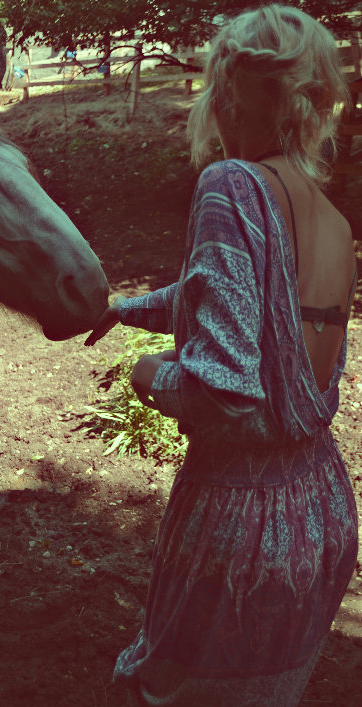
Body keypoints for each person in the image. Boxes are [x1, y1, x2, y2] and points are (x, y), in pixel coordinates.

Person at [85, 5, 359, 706]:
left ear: (232, 90)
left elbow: (224, 394)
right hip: (321, 512)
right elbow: (240, 298)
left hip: (241, 526)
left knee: (162, 691)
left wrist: (146, 373)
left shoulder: (231, 185)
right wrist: (126, 308)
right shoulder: (333, 222)